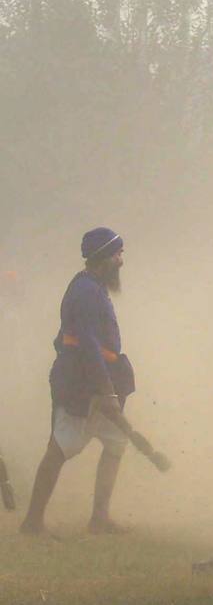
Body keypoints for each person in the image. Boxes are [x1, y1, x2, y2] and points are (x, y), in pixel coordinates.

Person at [20, 229, 136, 535]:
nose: (121, 261)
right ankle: (32, 522)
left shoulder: (94, 287)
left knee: (115, 443)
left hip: (101, 380)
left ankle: (99, 518)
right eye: (117, 254)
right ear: (102, 258)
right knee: (59, 447)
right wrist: (106, 391)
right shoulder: (85, 291)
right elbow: (86, 345)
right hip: (82, 384)